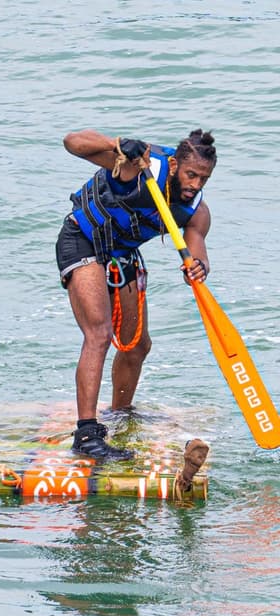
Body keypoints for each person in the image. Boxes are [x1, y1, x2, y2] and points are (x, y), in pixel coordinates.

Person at [56, 128, 216, 459]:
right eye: (191, 175)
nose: (195, 185)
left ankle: (120, 414)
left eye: (204, 178)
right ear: (175, 165)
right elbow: (72, 142)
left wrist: (198, 268)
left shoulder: (196, 211)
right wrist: (115, 144)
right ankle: (86, 434)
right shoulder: (140, 166)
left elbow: (197, 250)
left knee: (138, 345)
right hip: (82, 240)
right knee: (99, 334)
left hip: (121, 254)